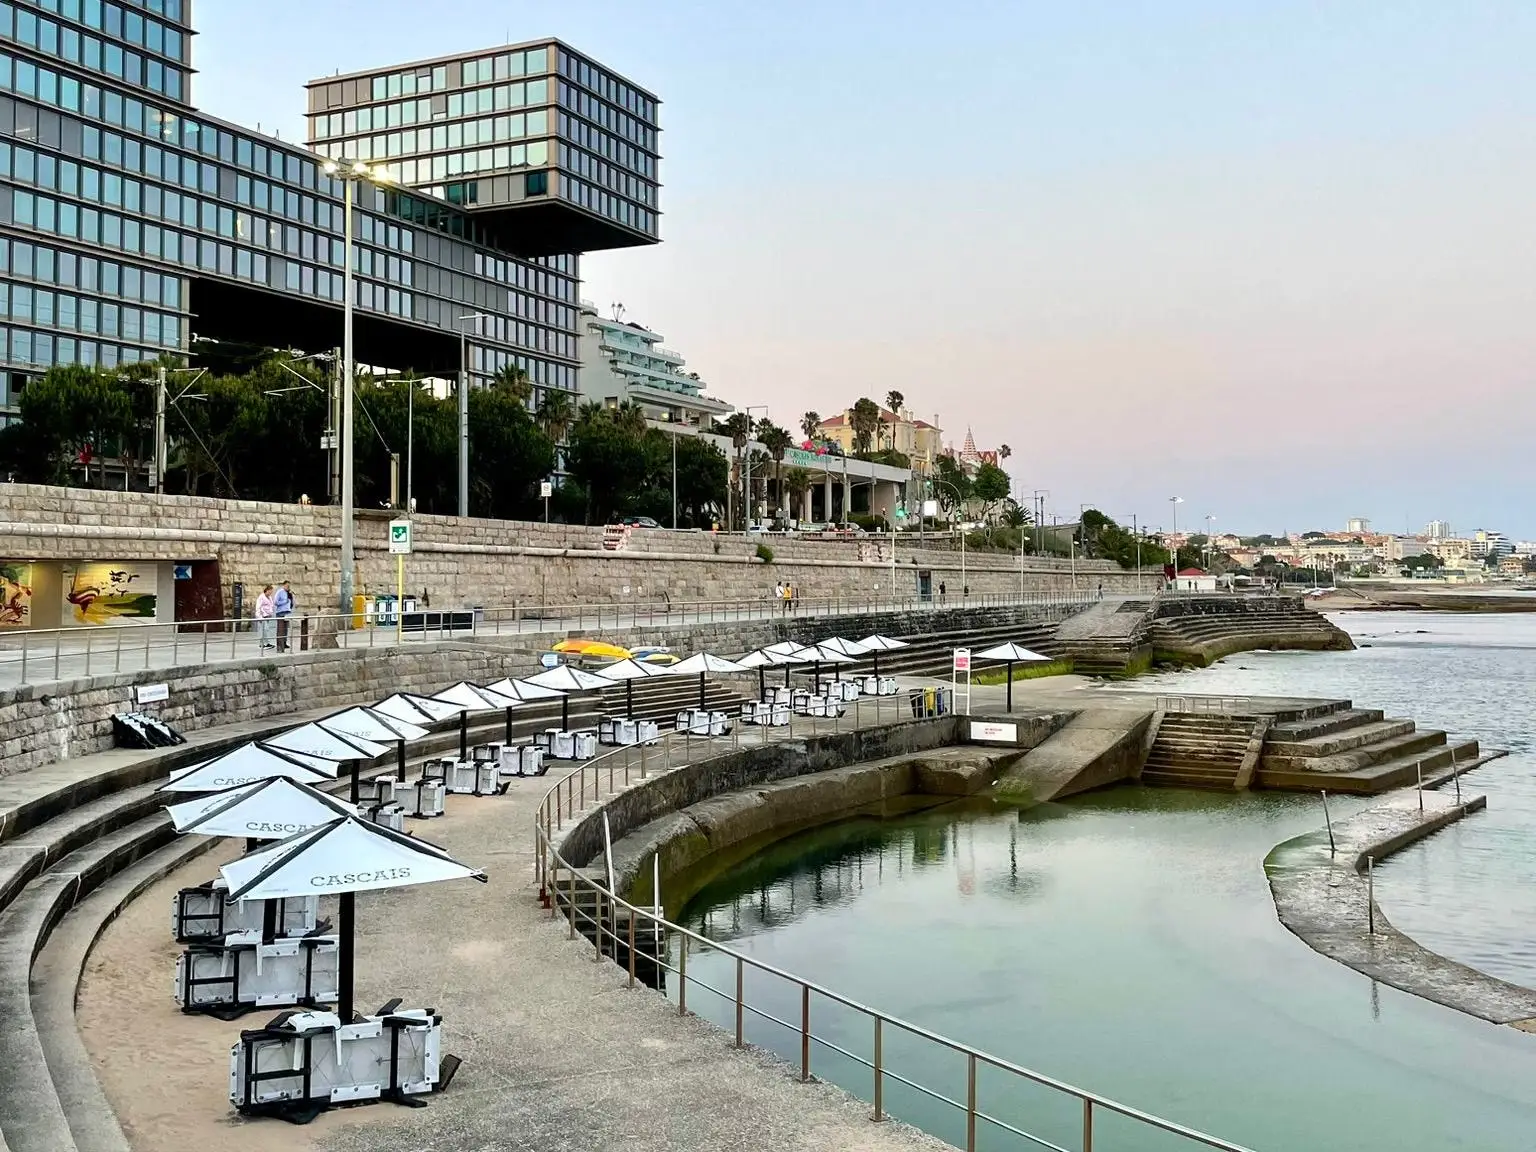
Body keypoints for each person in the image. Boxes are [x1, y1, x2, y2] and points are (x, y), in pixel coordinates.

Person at [274, 580, 294, 651]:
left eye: (289, 586)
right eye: (287, 586)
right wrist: (284, 602)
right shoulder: (280, 592)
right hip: (280, 612)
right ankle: (279, 644)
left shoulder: (288, 593)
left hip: (287, 612)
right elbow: (275, 602)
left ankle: (284, 642)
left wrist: (291, 596)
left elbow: (291, 602)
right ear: (284, 585)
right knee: (280, 629)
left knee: (285, 629)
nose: (288, 587)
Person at [254, 584, 276, 650]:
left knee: (264, 629)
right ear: (267, 590)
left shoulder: (269, 597)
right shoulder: (261, 597)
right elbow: (258, 607)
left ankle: (263, 643)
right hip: (262, 616)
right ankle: (265, 643)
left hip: (267, 616)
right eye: (270, 591)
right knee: (265, 629)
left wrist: (270, 613)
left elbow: (271, 606)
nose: (271, 593)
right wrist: (259, 617)